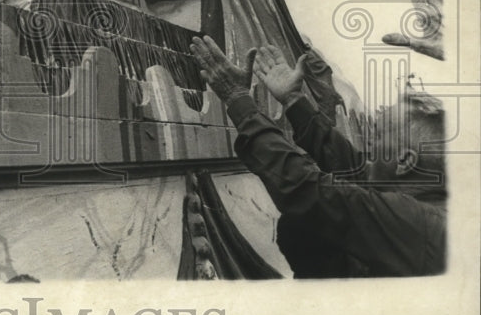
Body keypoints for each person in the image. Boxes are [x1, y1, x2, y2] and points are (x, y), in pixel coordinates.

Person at [190, 35, 446, 277]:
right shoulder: (424, 203)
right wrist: (293, 100)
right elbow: (352, 167)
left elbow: (310, 192)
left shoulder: (421, 225)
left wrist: (239, 102)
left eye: (377, 136)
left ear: (404, 161)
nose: (368, 141)